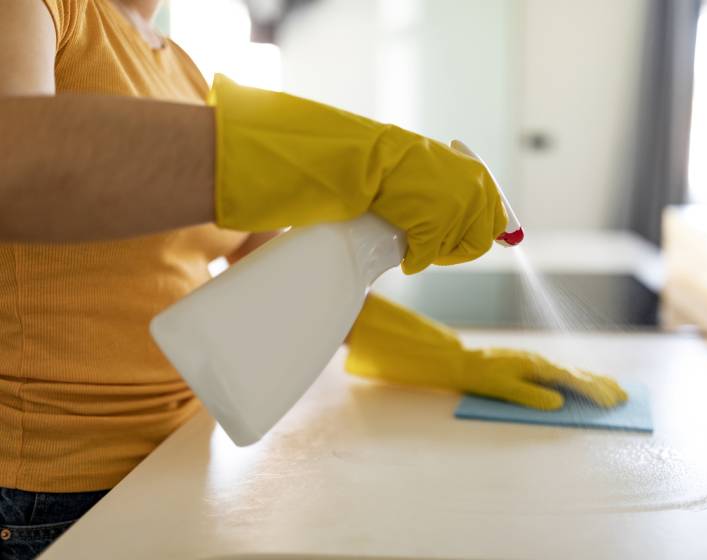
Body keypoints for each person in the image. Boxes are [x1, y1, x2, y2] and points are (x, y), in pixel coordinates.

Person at [0, 1, 627, 558]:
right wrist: (365, 160)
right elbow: (16, 162)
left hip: (178, 455)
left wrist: (440, 356)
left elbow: (250, 250)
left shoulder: (181, 68)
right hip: (43, 495)